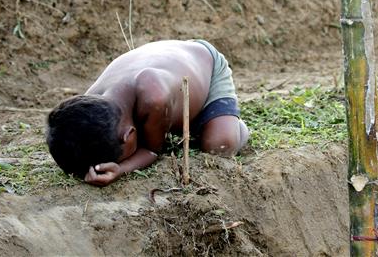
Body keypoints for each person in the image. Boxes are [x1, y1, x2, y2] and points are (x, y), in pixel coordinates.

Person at [46, 40, 249, 186]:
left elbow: (152, 151)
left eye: (120, 157)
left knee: (220, 145)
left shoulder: (154, 98)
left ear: (129, 135)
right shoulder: (89, 104)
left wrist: (122, 169)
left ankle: (228, 120)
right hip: (161, 60)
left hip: (205, 65)